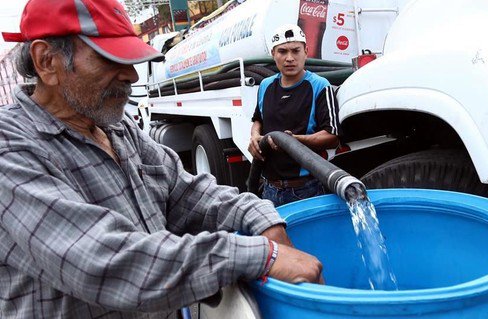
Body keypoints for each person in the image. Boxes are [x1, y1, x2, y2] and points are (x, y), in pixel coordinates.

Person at [0, 0, 323, 318]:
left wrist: (260, 217)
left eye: (129, 61)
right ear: (46, 61)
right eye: (109, 60)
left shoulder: (117, 127)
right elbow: (102, 262)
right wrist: (260, 255)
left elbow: (186, 192)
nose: (130, 75)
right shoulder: (12, 147)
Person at [248, 24, 341, 207]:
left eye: (295, 51)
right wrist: (254, 136)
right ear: (273, 54)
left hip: (306, 189)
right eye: (282, 51)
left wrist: (292, 141)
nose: (289, 58)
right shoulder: (266, 86)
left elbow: (332, 137)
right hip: (269, 190)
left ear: (306, 52)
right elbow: (258, 119)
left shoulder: (320, 86)